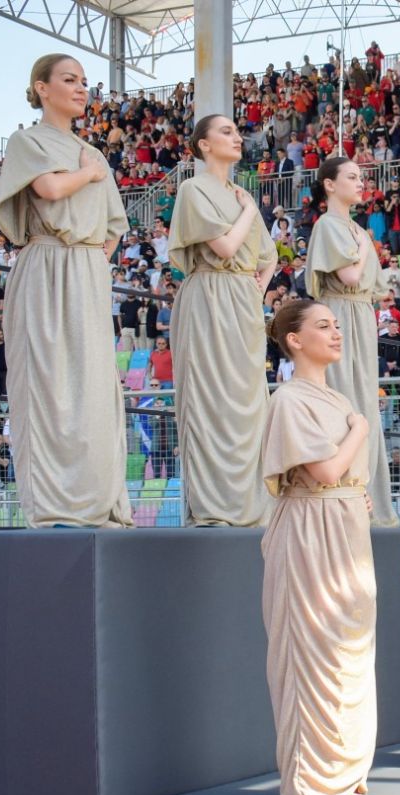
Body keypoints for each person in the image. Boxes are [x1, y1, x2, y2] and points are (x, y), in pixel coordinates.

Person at [0, 54, 133, 528]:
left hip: (87, 271)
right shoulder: (28, 140)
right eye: (69, 79)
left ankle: (98, 500)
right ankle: (55, 508)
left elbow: (114, 226)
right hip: (46, 264)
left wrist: (92, 263)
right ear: (42, 87)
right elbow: (50, 189)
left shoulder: (92, 151)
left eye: (84, 81)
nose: (80, 88)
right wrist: (88, 175)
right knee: (48, 385)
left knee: (93, 384)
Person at [259, 299, 376, 795]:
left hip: (345, 528)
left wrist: (357, 494)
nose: (335, 333)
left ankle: (345, 773)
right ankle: (314, 780)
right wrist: (360, 430)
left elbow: (343, 476)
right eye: (322, 326)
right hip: (309, 531)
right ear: (294, 340)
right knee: (314, 649)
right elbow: (325, 471)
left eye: (336, 325)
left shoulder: (337, 399)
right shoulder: (290, 399)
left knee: (350, 651)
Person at [170, 113, 277, 527]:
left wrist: (256, 290)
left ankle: (252, 505)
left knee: (248, 400)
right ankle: (215, 506)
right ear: (204, 144)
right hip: (209, 295)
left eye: (236, 131)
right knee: (210, 398)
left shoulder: (239, 193)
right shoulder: (193, 189)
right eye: (226, 132)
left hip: (242, 302)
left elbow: (268, 258)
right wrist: (249, 210)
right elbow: (226, 247)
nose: (237, 138)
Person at [306, 156, 400, 528]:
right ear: (330, 185)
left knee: (365, 403)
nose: (361, 183)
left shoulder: (356, 229)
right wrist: (363, 249)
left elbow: (375, 286)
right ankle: (345, 492)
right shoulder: (329, 225)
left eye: (361, 177)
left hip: (362, 315)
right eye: (352, 177)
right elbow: (349, 276)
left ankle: (370, 497)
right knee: (345, 398)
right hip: (340, 314)